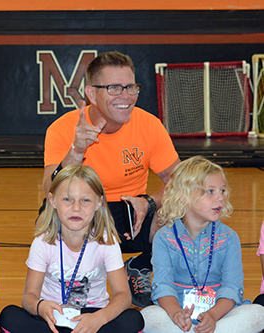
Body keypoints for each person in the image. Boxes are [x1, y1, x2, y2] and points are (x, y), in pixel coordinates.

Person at [42, 50, 180, 307]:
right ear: (92, 94)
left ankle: (140, 267)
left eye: (130, 87)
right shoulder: (63, 129)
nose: (126, 96)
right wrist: (77, 150)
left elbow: (180, 180)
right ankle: (73, 279)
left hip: (132, 213)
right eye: (114, 88)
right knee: (50, 211)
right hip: (87, 212)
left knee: (184, 207)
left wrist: (149, 202)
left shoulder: (149, 125)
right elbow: (50, 189)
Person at [0, 164, 144, 333]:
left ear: (99, 203)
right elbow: (29, 298)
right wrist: (40, 307)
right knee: (9, 316)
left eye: (85, 200)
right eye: (67, 199)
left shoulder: (107, 241)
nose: (76, 208)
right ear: (53, 201)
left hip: (93, 316)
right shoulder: (43, 241)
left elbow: (124, 296)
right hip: (52, 315)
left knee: (134, 319)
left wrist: (100, 318)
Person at [141, 156, 264, 333]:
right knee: (148, 316)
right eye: (210, 191)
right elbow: (163, 285)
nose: (220, 198)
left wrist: (212, 316)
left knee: (259, 313)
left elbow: (232, 288)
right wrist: (176, 314)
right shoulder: (164, 237)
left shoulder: (229, 238)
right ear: (183, 196)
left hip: (220, 316)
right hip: (176, 315)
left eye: (222, 191)